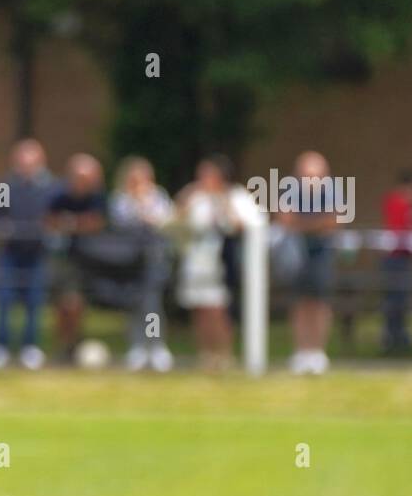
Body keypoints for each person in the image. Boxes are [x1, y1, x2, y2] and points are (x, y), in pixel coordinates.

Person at [169, 155, 259, 372]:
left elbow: (242, 225)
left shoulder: (236, 196)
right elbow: (175, 222)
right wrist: (187, 199)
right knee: (199, 307)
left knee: (218, 308)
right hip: (195, 260)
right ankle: (206, 354)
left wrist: (223, 202)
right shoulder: (194, 197)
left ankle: (224, 354)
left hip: (222, 260)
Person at [0, 138, 58, 369]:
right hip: (10, 252)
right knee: (4, 299)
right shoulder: (5, 186)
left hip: (38, 253)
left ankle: (30, 346)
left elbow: (55, 217)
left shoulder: (51, 188)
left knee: (34, 301)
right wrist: (6, 228)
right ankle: (0, 346)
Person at [109, 156, 175, 372]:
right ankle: (137, 346)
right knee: (134, 304)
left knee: (152, 305)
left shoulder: (158, 196)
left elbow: (164, 220)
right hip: (129, 259)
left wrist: (145, 204)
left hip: (154, 257)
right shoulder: (120, 199)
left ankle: (155, 346)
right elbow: (120, 220)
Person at [279, 150, 338, 374]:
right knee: (300, 303)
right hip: (297, 254)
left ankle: (317, 352)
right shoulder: (290, 192)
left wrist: (302, 224)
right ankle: (302, 351)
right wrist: (314, 224)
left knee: (319, 303)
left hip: (321, 255)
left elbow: (331, 222)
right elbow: (284, 218)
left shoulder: (331, 192)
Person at [46, 153, 108, 361]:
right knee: (66, 304)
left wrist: (70, 224)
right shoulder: (59, 196)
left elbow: (96, 224)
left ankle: (74, 344)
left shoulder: (98, 198)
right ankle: (65, 347)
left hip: (98, 260)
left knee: (77, 304)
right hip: (68, 259)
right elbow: (48, 221)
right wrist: (78, 225)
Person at [379, 171, 412, 355]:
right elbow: (400, 230)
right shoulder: (399, 203)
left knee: (400, 298)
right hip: (395, 258)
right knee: (395, 298)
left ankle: (398, 334)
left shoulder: (406, 204)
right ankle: (391, 335)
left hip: (402, 257)